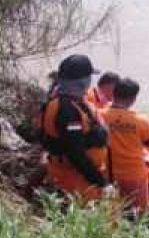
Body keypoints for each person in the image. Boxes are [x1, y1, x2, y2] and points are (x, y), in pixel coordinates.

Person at [41, 54, 110, 198]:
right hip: (75, 179)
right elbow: (75, 152)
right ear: (83, 82)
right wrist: (100, 182)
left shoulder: (70, 101)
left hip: (77, 175)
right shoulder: (67, 110)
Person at [102, 78, 149, 202]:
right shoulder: (141, 121)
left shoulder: (99, 115)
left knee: (113, 209)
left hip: (108, 172)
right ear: (133, 99)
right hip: (133, 173)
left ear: (114, 94)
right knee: (140, 211)